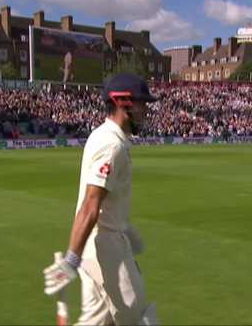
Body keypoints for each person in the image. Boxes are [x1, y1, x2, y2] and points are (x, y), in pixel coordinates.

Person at [43, 74, 159, 325]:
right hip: (105, 250)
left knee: (99, 320)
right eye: (141, 104)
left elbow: (104, 203)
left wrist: (124, 227)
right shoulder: (111, 146)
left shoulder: (107, 137)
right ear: (123, 102)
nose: (146, 111)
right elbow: (90, 204)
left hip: (101, 245)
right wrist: (70, 260)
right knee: (140, 319)